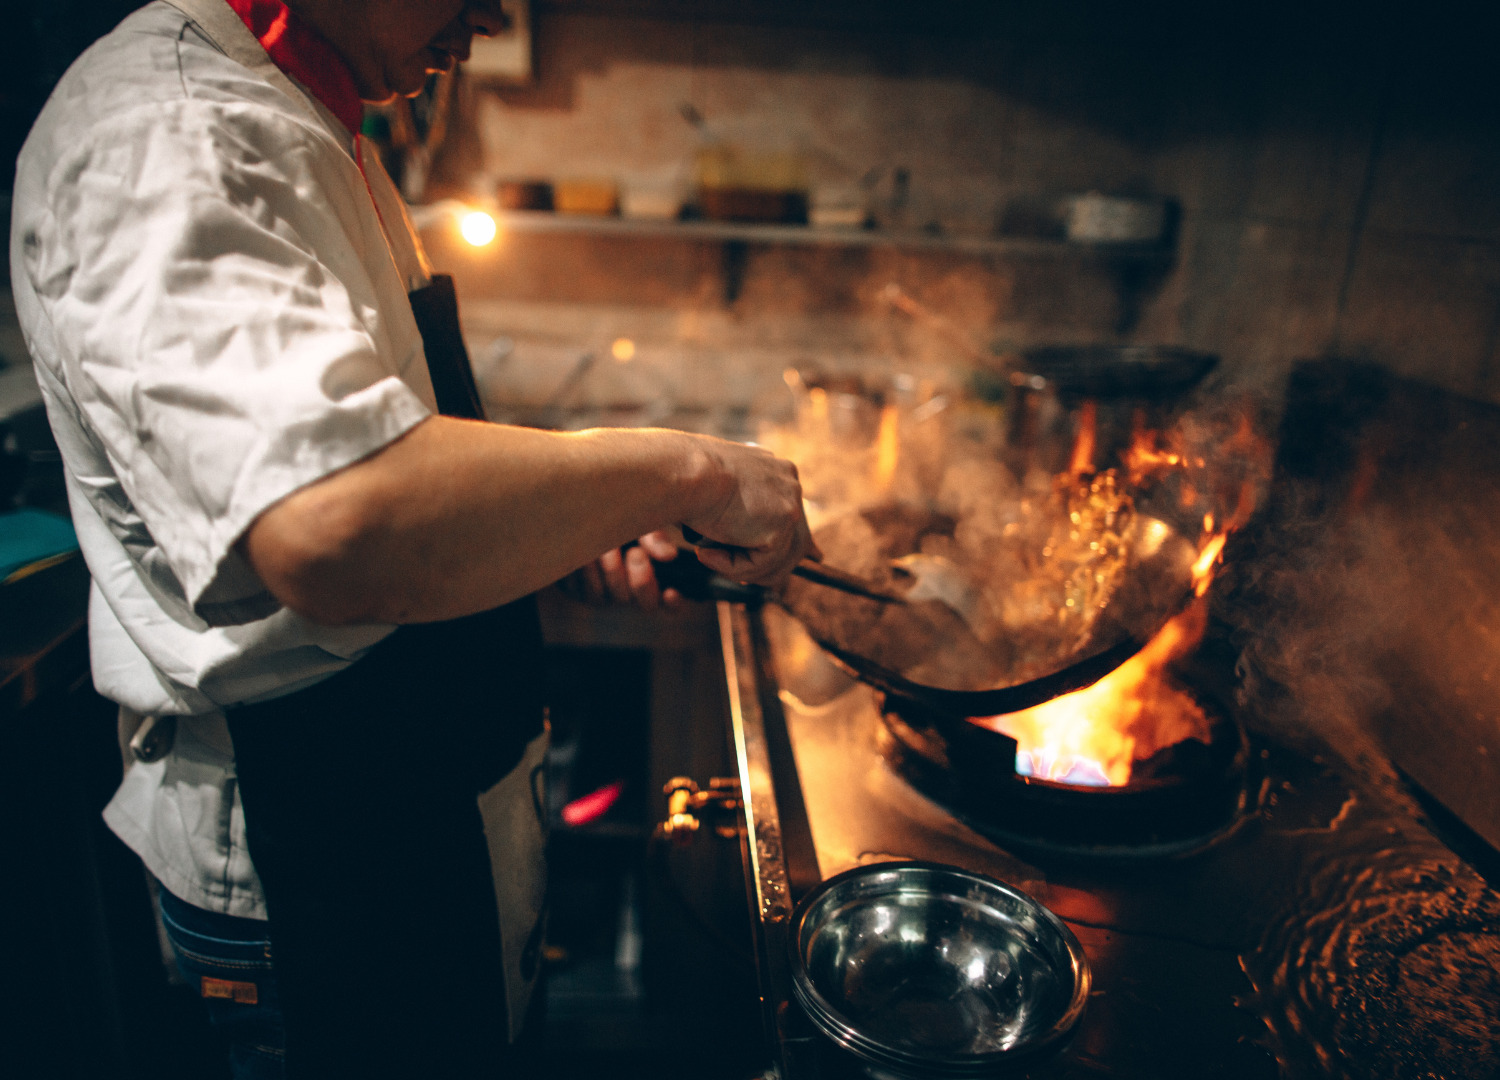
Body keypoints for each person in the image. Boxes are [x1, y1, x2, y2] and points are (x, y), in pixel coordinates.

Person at [9, 1, 813, 1076]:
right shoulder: (175, 130)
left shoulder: (308, 118)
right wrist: (687, 469)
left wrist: (568, 526)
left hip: (414, 815)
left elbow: (392, 472)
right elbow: (337, 523)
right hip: (316, 859)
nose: (491, 15)